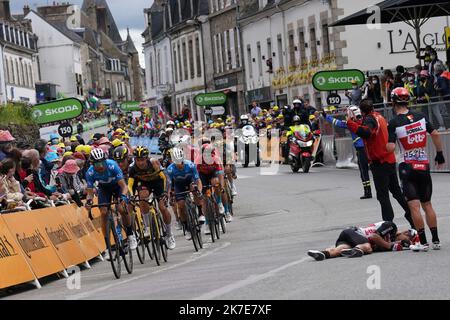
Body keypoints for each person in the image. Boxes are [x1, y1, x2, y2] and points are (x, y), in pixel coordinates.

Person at [387, 87, 445, 251]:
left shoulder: (393, 122)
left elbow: (390, 148)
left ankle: (423, 242)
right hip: (423, 165)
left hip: (407, 167)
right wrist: (439, 154)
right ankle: (436, 240)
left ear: (393, 102)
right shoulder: (420, 116)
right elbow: (435, 134)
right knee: (428, 204)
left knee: (414, 207)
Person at [346, 99, 414, 228]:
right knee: (396, 192)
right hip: (389, 159)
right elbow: (370, 129)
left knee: (383, 196)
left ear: (362, 111)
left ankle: (388, 224)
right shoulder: (379, 116)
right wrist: (358, 123)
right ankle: (411, 215)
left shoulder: (370, 119)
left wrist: (350, 123)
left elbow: (366, 132)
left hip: (380, 162)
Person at [84, 148, 137, 250]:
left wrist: (123, 197)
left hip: (117, 186)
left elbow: (124, 187)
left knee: (121, 208)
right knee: (103, 213)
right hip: (104, 189)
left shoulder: (112, 165)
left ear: (105, 160)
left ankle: (130, 235)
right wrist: (89, 202)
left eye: (102, 163)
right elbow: (90, 194)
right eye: (97, 164)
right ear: (92, 164)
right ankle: (108, 246)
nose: (100, 166)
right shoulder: (90, 173)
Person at [128, 146, 176, 250]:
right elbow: (130, 185)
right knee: (142, 197)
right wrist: (131, 195)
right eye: (138, 160)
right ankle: (147, 227)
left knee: (162, 208)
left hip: (159, 183)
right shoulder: (132, 168)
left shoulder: (154, 163)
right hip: (145, 184)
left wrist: (165, 192)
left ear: (147, 158)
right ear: (135, 159)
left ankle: (169, 234)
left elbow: (165, 178)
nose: (140, 162)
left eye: (142, 160)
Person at [321, 106, 372, 199]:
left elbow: (337, 123)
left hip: (361, 150)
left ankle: (367, 191)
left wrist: (326, 116)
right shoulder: (366, 120)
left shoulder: (351, 123)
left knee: (363, 172)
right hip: (370, 148)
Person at [307, 221, 417, 261]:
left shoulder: (389, 241)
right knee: (367, 247)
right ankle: (356, 250)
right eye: (409, 240)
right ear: (406, 233)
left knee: (339, 250)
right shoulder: (391, 227)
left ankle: (323, 253)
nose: (408, 242)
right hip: (354, 232)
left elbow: (378, 244)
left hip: (349, 238)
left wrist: (394, 245)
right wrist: (390, 246)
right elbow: (374, 236)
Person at [166, 147, 205, 241]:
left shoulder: (190, 165)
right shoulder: (170, 169)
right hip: (179, 185)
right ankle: (187, 227)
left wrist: (199, 191)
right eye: (177, 161)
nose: (179, 163)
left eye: (181, 160)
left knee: (195, 189)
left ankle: (200, 212)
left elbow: (198, 180)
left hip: (190, 182)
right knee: (181, 205)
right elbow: (169, 185)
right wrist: (170, 196)